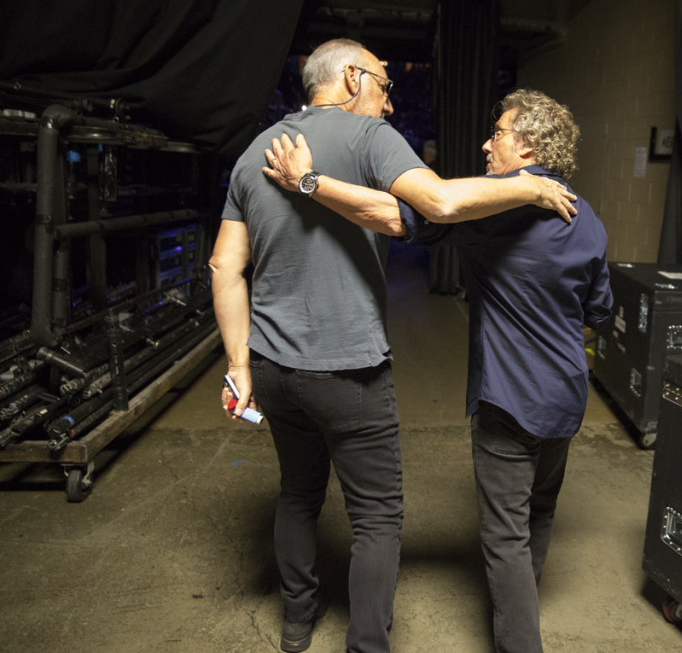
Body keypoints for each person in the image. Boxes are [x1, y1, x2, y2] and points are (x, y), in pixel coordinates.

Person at [210, 38, 578, 653]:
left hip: (271, 367)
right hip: (348, 370)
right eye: (383, 86)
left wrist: (239, 364)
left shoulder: (256, 152)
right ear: (353, 78)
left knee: (298, 492)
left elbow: (224, 265)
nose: (387, 104)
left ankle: (297, 623)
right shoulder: (370, 137)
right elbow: (440, 203)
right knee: (377, 517)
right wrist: (533, 189)